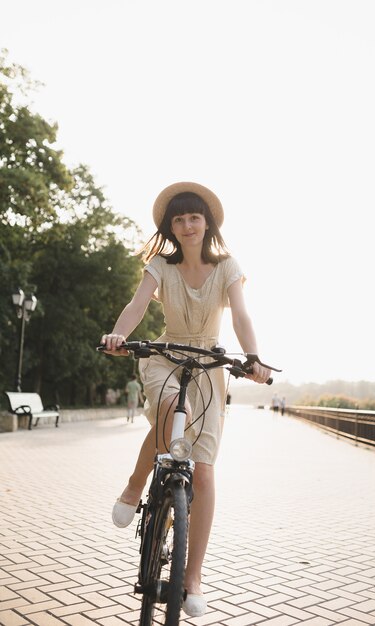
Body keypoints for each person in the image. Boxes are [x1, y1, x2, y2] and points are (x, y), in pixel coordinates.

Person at [100, 181, 271, 617]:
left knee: (206, 472)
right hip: (166, 354)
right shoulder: (162, 264)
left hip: (210, 365)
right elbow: (138, 304)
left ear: (207, 222)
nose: (187, 224)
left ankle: (193, 575)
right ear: (170, 227)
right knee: (173, 409)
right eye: (178, 219)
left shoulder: (228, 266)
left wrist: (253, 358)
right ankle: (137, 484)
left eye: (194, 217)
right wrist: (121, 334)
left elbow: (242, 315)